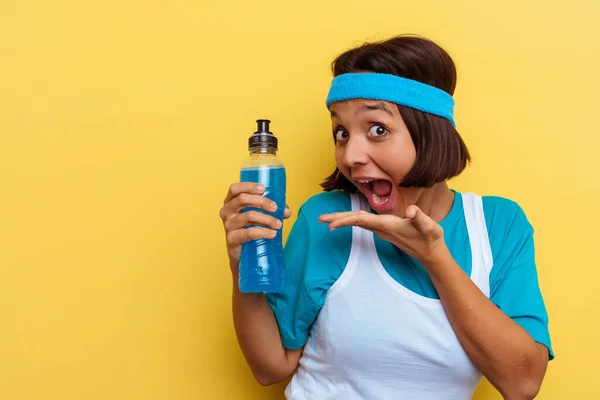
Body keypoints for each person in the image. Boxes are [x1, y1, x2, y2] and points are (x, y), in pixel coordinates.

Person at [219, 35, 554, 400]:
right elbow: (271, 367)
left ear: (429, 131)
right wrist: (242, 266)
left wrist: (434, 257)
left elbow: (522, 384)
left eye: (377, 129)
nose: (350, 156)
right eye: (342, 133)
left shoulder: (498, 225)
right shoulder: (327, 219)